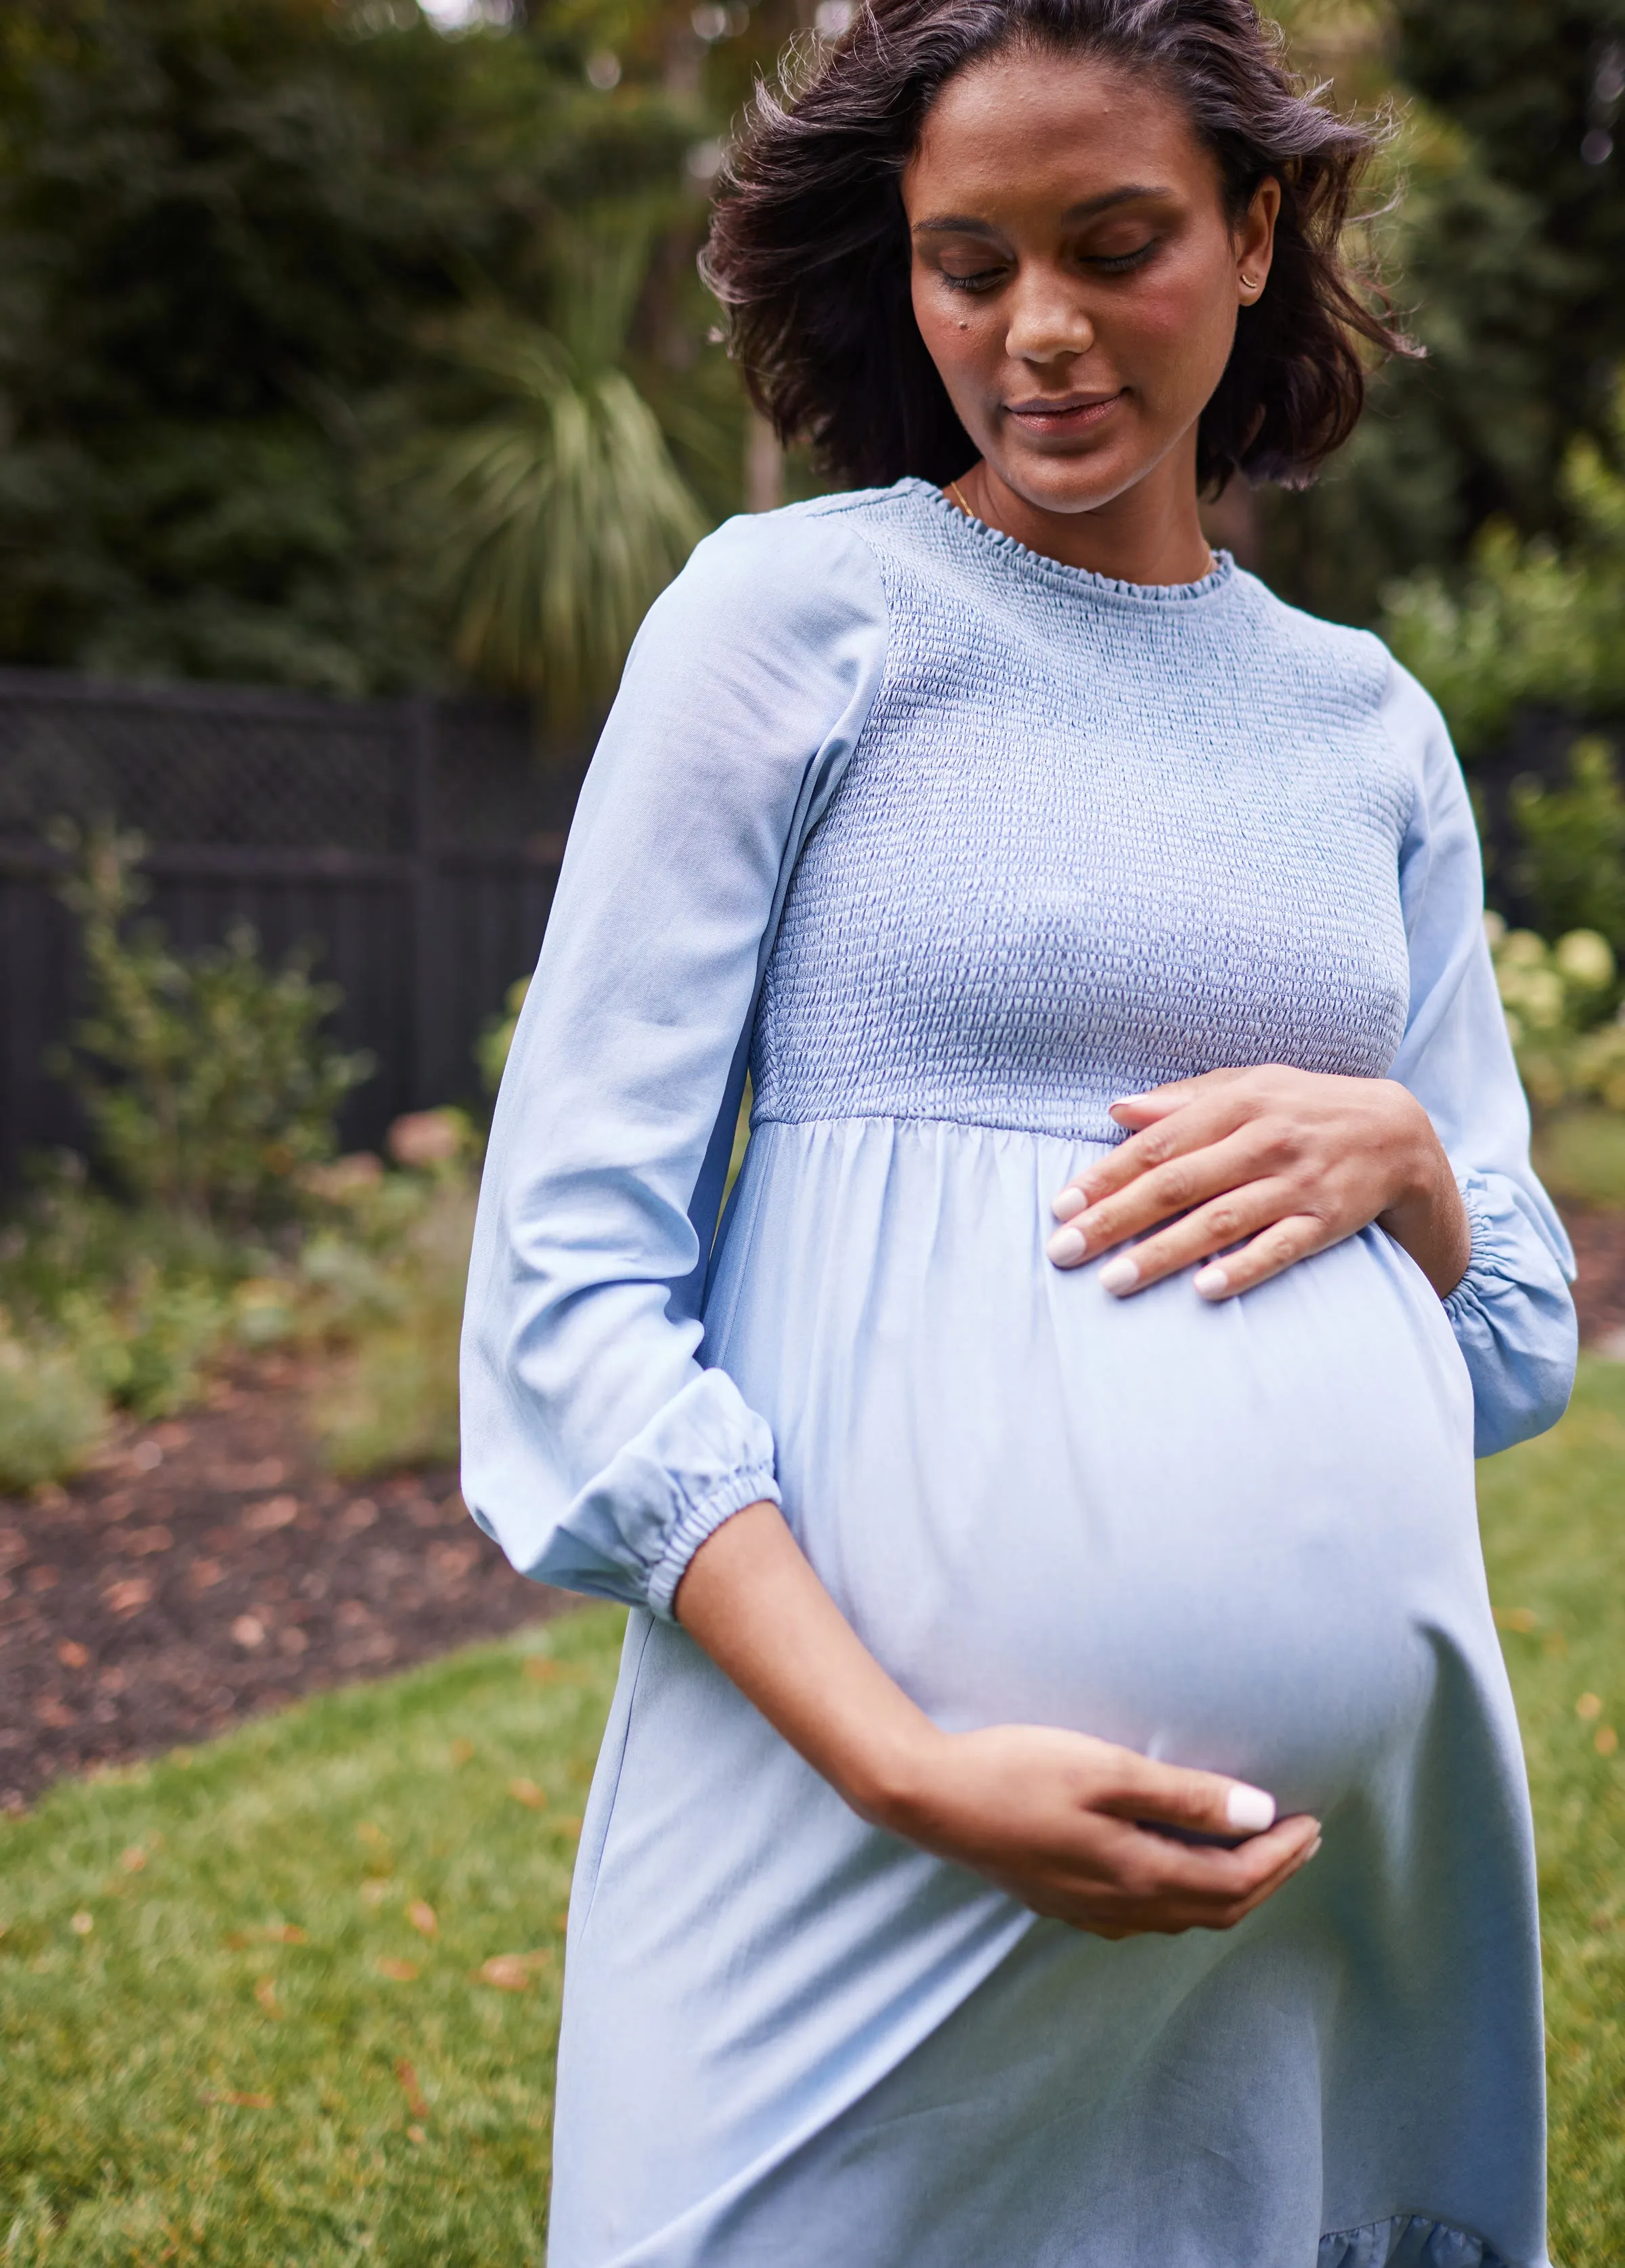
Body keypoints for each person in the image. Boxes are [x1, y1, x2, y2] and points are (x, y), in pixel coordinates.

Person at [460, 0, 1578, 2259]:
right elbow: (570, 1286)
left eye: (1116, 239)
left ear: (1255, 234)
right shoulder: (796, 620)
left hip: (1305, 1893)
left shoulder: (1367, 728)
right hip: (850, 1818)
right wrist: (901, 1758)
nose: (1038, 330)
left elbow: (1524, 1328)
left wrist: (1411, 1164)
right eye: (970, 263)